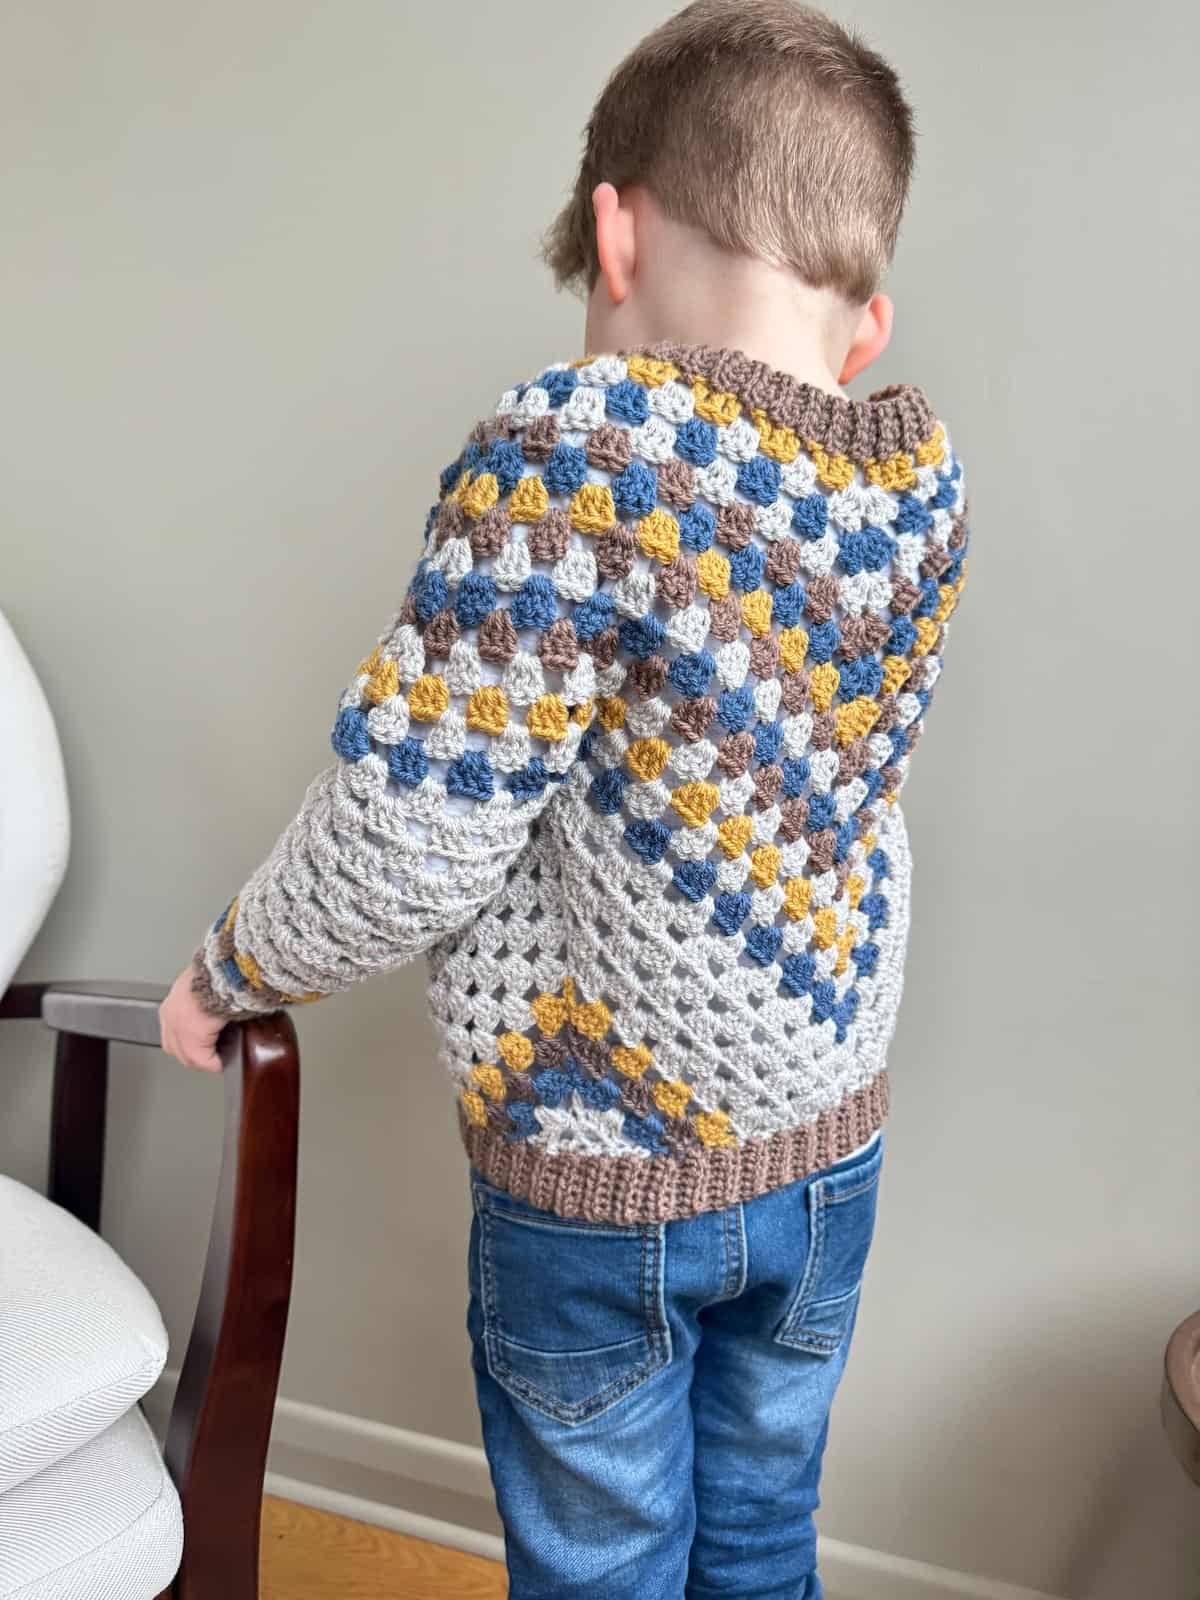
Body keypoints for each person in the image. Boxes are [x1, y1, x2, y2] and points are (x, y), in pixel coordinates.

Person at [160, 3, 970, 1593]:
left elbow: (410, 831)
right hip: (830, 1150)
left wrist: (229, 969)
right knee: (758, 1536)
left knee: (605, 1563)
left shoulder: (575, 456)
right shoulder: (913, 484)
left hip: (601, 1175)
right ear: (862, 325)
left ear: (614, 231)